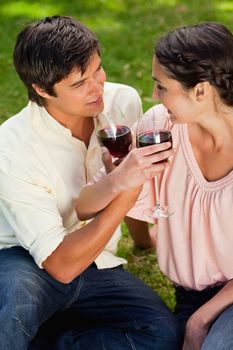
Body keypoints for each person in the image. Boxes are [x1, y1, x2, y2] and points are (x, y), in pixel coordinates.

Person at [0, 15, 182, 350]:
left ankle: (41, 339)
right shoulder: (11, 147)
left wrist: (143, 240)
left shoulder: (121, 102)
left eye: (97, 70)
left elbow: (129, 171)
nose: (97, 87)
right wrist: (124, 189)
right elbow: (60, 264)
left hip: (97, 263)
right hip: (21, 260)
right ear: (41, 89)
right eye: (79, 83)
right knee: (9, 314)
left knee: (161, 334)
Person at [77, 22, 233, 350]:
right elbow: (84, 205)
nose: (153, 96)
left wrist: (199, 321)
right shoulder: (161, 127)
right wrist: (117, 180)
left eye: (161, 87)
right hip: (192, 296)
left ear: (201, 91)